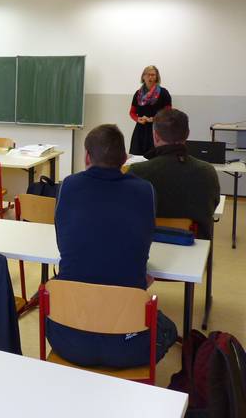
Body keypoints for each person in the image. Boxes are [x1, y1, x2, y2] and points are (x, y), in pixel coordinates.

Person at [49, 124, 177, 368]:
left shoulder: (67, 186)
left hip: (67, 339)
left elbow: (65, 243)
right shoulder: (145, 191)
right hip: (128, 347)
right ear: (125, 158)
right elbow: (142, 240)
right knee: (167, 328)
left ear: (87, 156)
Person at [128, 108, 220, 240]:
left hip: (149, 248)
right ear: (187, 134)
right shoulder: (207, 172)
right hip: (195, 250)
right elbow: (212, 206)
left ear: (155, 136)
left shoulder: (136, 172)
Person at [129, 65, 172, 155]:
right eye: (148, 74)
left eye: (153, 75)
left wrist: (155, 119)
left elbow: (168, 113)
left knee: (155, 159)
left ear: (157, 77)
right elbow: (132, 112)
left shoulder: (164, 93)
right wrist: (138, 119)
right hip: (140, 131)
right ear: (143, 77)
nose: (150, 77)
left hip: (157, 131)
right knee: (137, 158)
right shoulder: (137, 94)